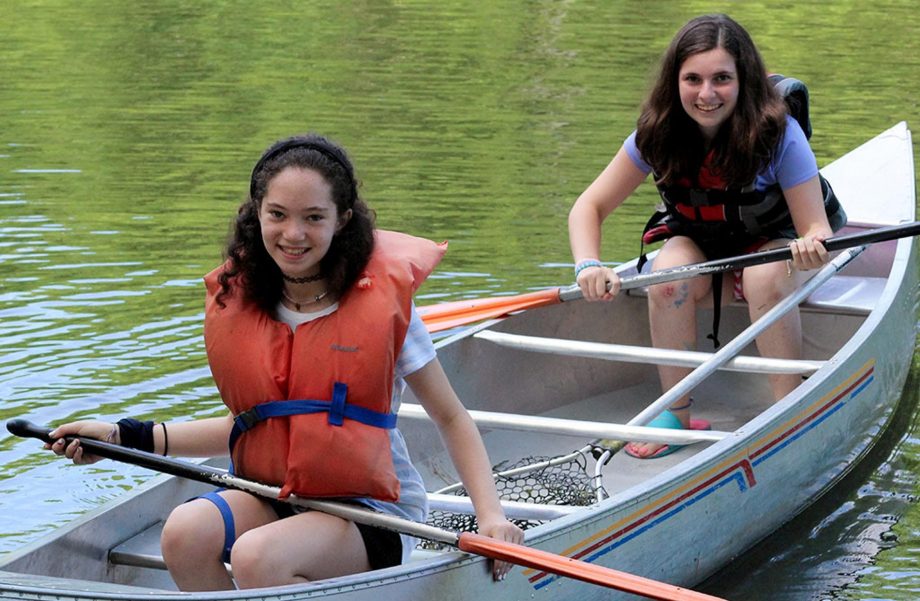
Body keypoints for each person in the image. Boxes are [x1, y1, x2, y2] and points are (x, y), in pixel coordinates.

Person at [46, 133, 524, 590]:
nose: (293, 234)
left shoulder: (385, 311)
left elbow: (450, 417)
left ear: (343, 219)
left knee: (259, 557)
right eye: (277, 214)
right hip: (275, 493)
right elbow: (254, 425)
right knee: (184, 532)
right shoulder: (246, 301)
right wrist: (121, 436)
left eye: (314, 217)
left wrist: (491, 518)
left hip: (371, 511)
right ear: (257, 215)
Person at [567, 14, 846, 459]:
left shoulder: (779, 134)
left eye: (722, 79)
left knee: (761, 278)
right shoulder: (656, 133)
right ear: (674, 82)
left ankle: (789, 408)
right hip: (703, 242)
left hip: (772, 244)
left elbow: (815, 226)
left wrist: (812, 245)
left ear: (744, 80)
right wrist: (588, 263)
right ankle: (675, 414)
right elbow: (589, 207)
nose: (706, 94)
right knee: (668, 273)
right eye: (692, 79)